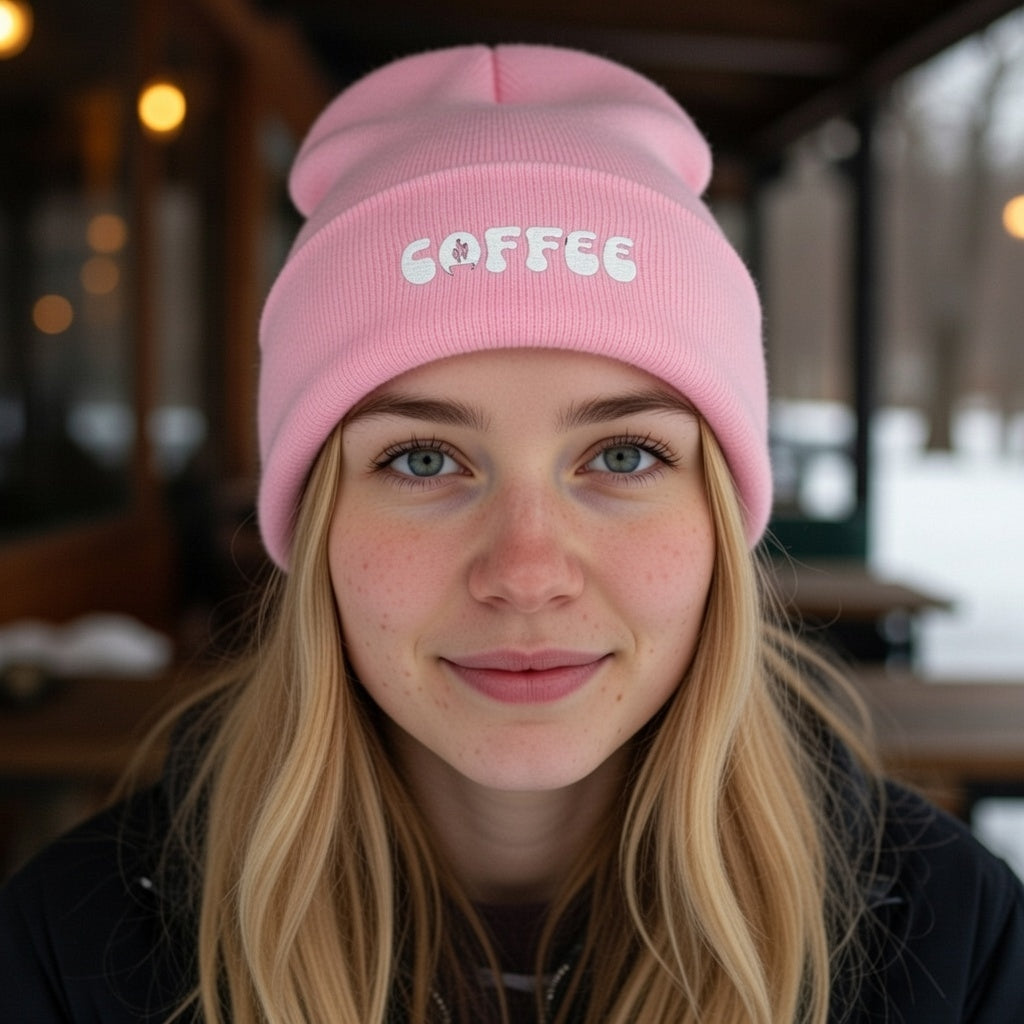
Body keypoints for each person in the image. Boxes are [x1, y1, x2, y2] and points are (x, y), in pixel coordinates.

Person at [2, 43, 1023, 1024]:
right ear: (313, 527)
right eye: (422, 459)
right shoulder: (73, 952)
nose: (526, 573)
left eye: (622, 456)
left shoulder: (955, 950)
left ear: (722, 517)